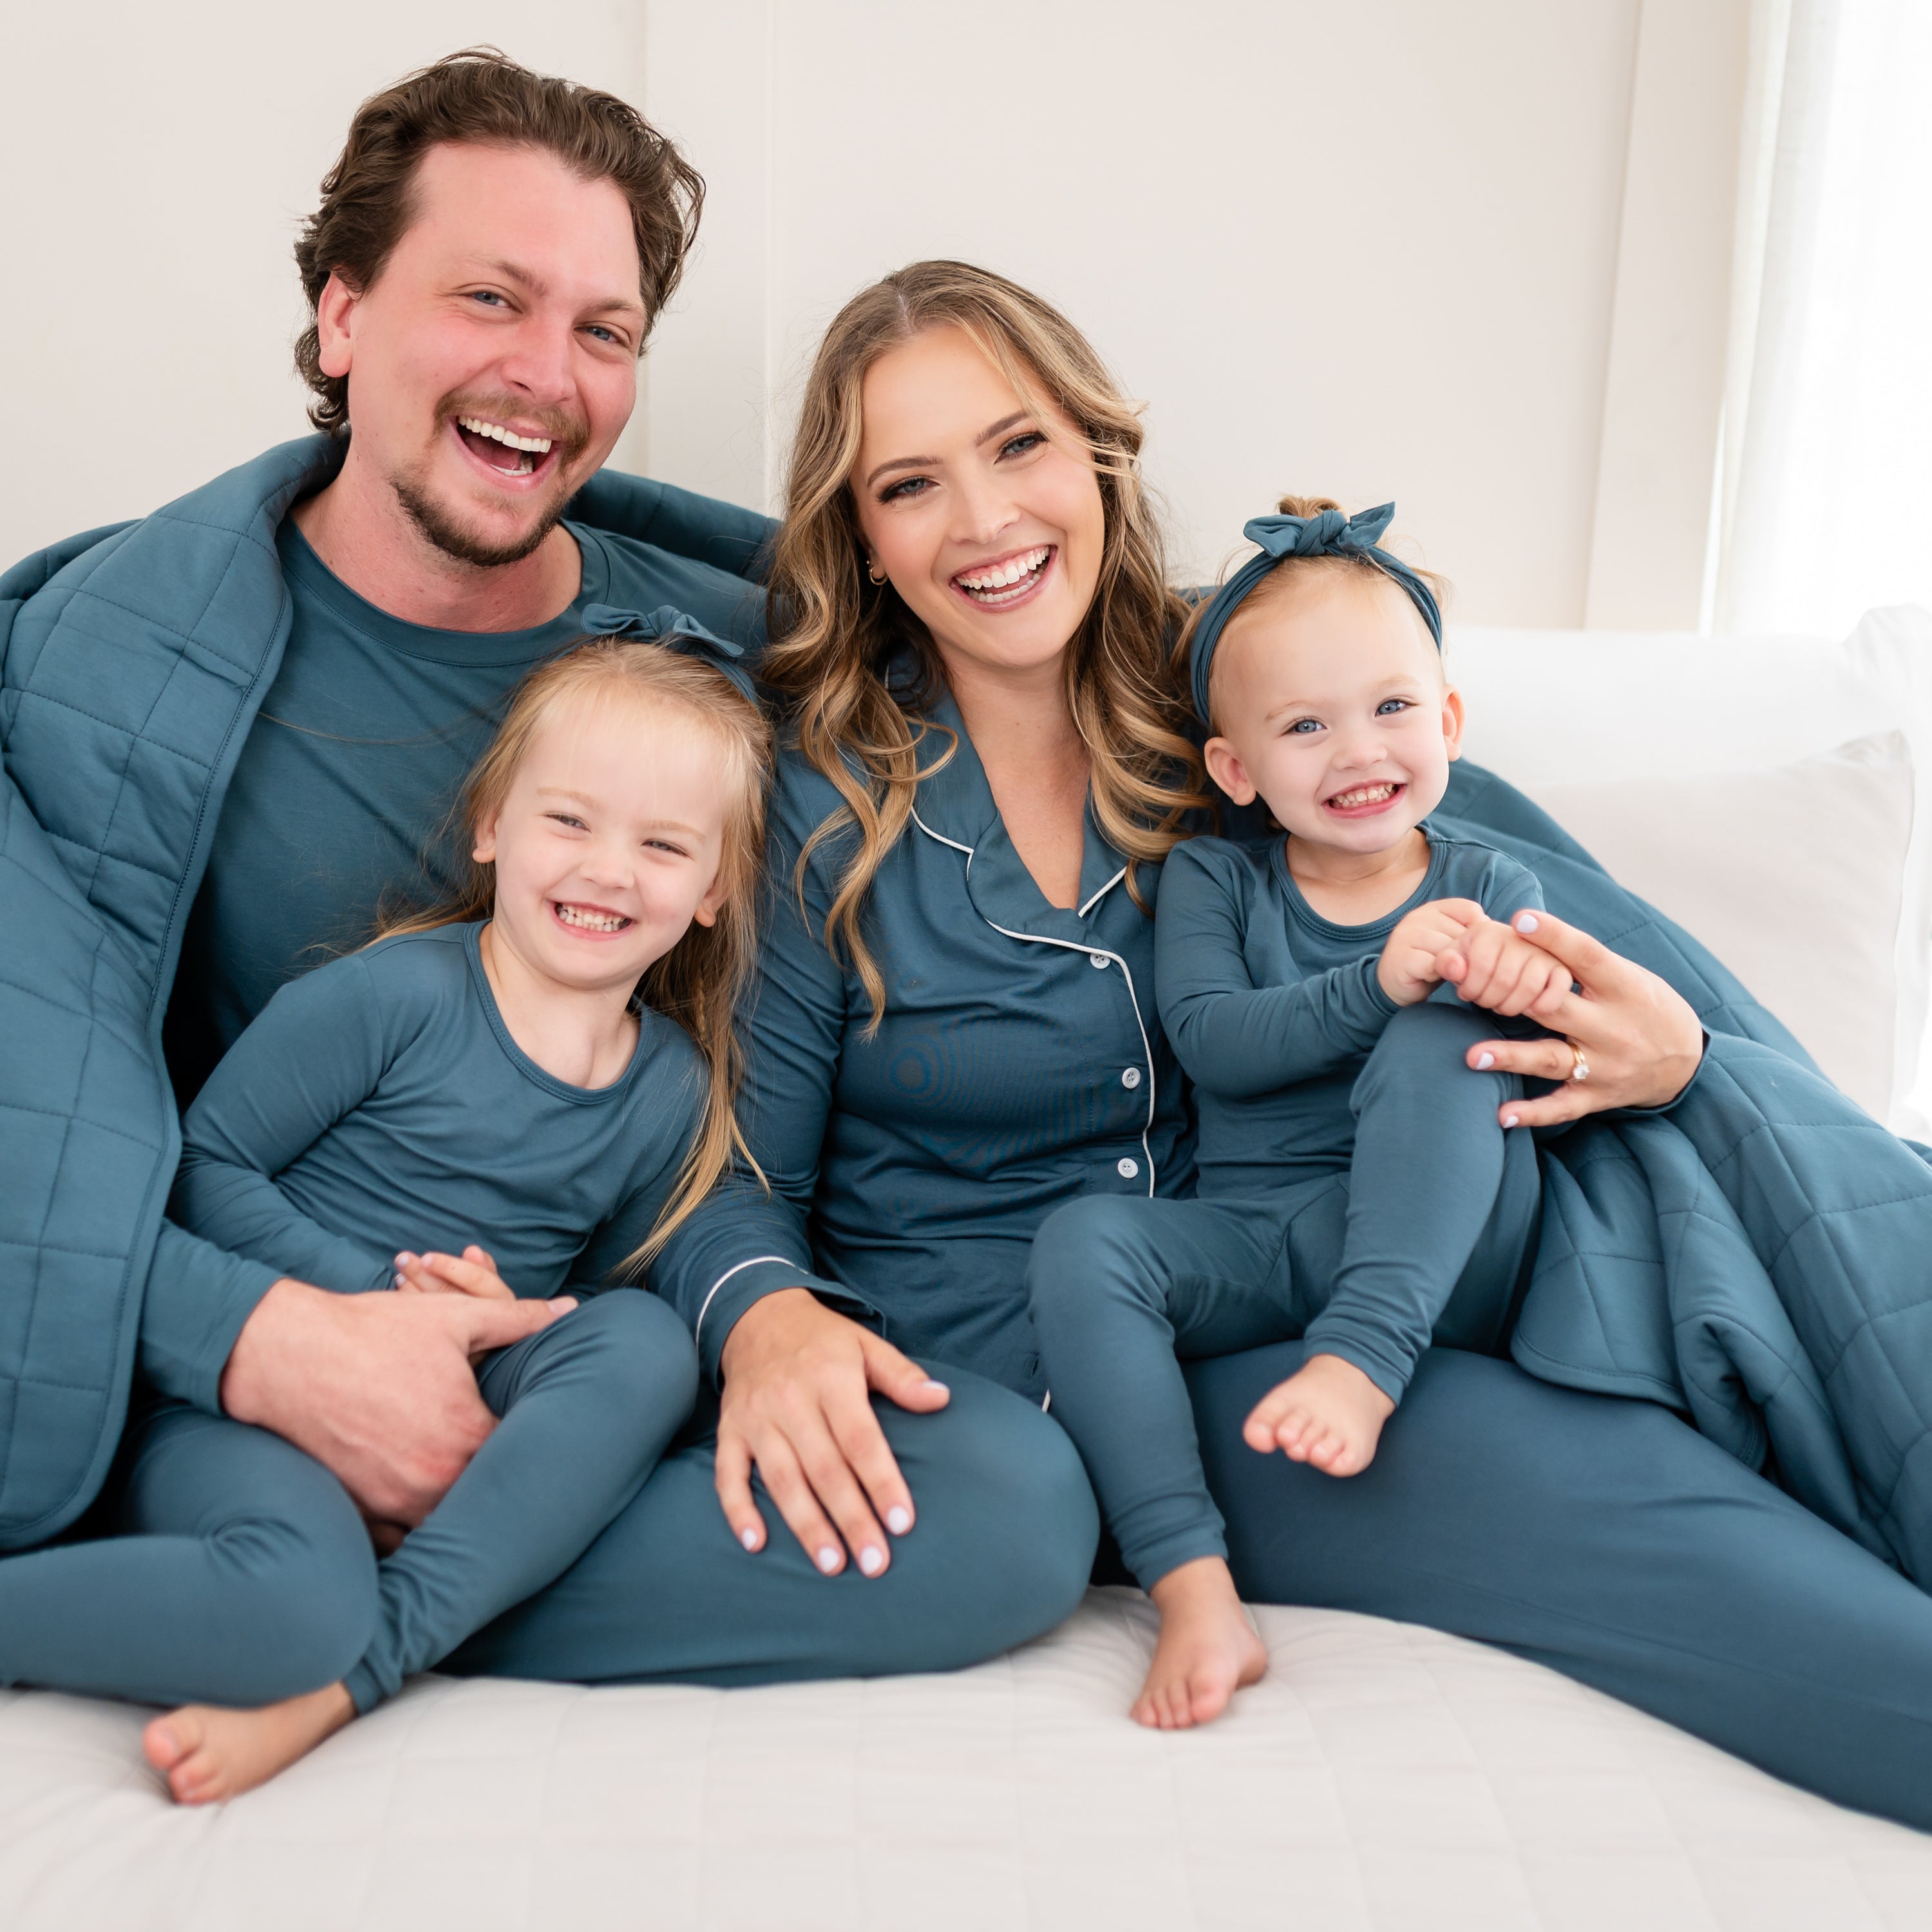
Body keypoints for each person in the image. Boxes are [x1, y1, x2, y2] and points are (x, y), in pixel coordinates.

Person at [621, 256, 1932, 1830]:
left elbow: (1501, 892)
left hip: (1318, 1309)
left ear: (1096, 453)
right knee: (1714, 1575)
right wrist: (767, 1317)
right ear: (865, 539)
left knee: (1758, 1467)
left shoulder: (1256, 720)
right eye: (913, 482)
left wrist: (1673, 1054)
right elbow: (729, 1167)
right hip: (1021, 1383)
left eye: (1019, 445)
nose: (983, 519)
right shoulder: (820, 808)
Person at [0, 52, 1091, 1710]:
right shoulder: (120, 670)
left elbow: (1167, 713)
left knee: (1011, 1507)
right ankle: (281, 1581)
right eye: (490, 298)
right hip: (255, 1349)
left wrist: (766, 1312)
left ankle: (348, 1617)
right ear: (343, 314)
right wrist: (269, 1344)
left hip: (585, 1368)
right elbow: (64, 1135)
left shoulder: (725, 663)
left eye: (603, 330)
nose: (545, 375)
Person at [19, 622, 764, 1803]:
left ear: (716, 891)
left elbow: (595, 1318)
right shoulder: (397, 994)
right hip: (243, 1405)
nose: (608, 869)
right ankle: (331, 1651)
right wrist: (382, 1306)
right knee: (290, 1604)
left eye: (664, 845)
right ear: (491, 829)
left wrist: (515, 1321)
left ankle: (375, 1656)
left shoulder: (670, 1085)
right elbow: (197, 1170)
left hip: (466, 1400)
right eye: (568, 820)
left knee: (643, 1343)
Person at [1027, 495, 1571, 1727]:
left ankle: (1364, 1365)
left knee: (1453, 1027)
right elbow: (1215, 1043)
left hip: (1441, 1251)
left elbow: (1543, 1036)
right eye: (1304, 725)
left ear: (1449, 721)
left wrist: (1523, 983)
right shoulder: (1217, 878)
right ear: (1237, 768)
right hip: (1271, 1239)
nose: (1358, 751)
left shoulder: (1491, 881)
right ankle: (1189, 1581)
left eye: (1391, 709)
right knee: (1084, 1242)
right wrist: (1375, 977)